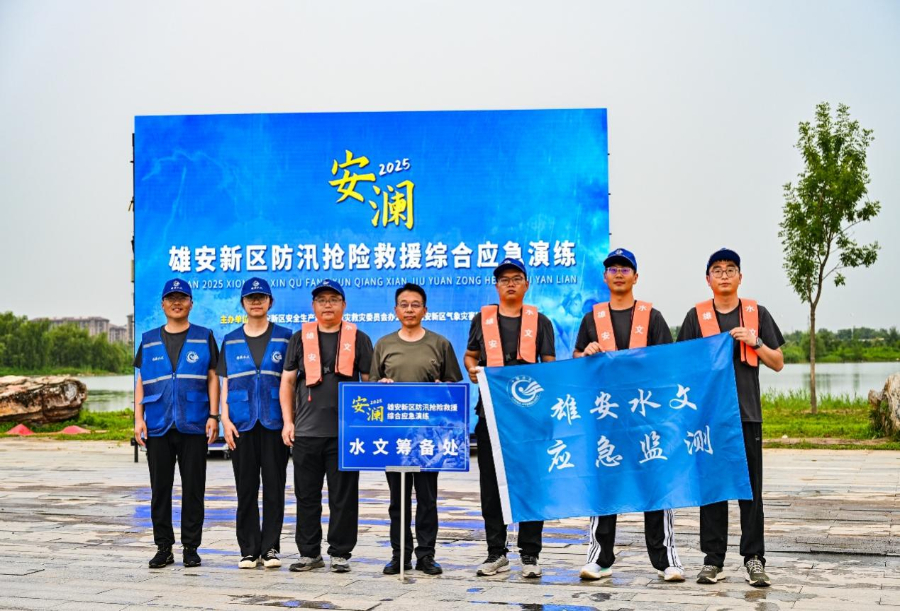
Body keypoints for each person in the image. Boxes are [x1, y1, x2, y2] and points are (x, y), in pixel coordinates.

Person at [572, 248, 685, 582]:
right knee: (604, 487)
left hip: (645, 417)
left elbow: (668, 363)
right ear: (604, 277)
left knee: (655, 485)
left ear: (636, 276)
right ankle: (600, 558)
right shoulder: (592, 319)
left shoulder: (652, 317)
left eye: (625, 269)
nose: (618, 273)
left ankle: (666, 560)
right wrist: (585, 352)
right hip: (605, 417)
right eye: (612, 269)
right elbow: (576, 360)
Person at [677, 248, 784, 588]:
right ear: (707, 279)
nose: (724, 275)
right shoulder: (696, 317)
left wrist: (755, 341)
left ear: (740, 277)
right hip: (709, 418)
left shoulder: (756, 313)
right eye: (717, 270)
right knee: (712, 489)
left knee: (751, 490)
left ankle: (754, 558)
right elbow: (682, 366)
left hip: (747, 415)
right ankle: (713, 560)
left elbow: (778, 362)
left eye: (730, 269)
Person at [464, 258, 556, 579]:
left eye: (517, 278)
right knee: (491, 485)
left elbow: (549, 364)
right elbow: (471, 356)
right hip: (491, 414)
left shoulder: (540, 321)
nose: (511, 284)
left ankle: (530, 553)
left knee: (531, 482)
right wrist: (473, 371)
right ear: (496, 286)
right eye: (504, 279)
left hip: (530, 417)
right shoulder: (482, 319)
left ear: (526, 284)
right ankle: (496, 552)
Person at [370, 283, 463, 576]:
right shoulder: (383, 344)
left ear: (425, 310)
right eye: (404, 304)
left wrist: (442, 388)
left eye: (415, 304)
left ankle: (426, 556)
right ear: (395, 310)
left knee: (427, 499)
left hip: (428, 437)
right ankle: (400, 555)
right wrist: (380, 386)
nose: (409, 309)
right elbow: (372, 391)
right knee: (397, 500)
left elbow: (454, 388)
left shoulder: (440, 344)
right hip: (395, 436)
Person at [280, 279, 373, 574]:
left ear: (344, 305)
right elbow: (287, 383)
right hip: (306, 432)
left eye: (333, 299)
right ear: (313, 306)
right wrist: (288, 422)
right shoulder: (299, 338)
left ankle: (340, 553)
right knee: (306, 496)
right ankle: (309, 553)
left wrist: (365, 427)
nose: (327, 305)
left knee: (343, 497)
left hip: (345, 434)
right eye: (322, 300)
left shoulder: (359, 338)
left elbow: (369, 383)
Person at [133, 278, 219, 569]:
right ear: (163, 304)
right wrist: (138, 419)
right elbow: (142, 381)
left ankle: (191, 548)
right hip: (158, 423)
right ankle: (163, 547)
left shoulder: (204, 336)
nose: (177, 303)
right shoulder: (149, 339)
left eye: (182, 298)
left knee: (194, 488)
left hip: (194, 422)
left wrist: (214, 416)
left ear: (191, 303)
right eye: (171, 298)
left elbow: (212, 378)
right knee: (160, 489)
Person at [217, 277, 292, 569]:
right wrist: (224, 419)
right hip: (241, 423)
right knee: (245, 488)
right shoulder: (231, 340)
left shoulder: (286, 337)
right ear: (243, 303)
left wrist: (290, 421)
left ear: (270, 302)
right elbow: (226, 384)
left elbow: (291, 383)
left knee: (274, 487)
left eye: (261, 297)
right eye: (251, 297)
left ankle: (270, 548)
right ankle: (248, 549)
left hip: (274, 423)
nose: (256, 301)